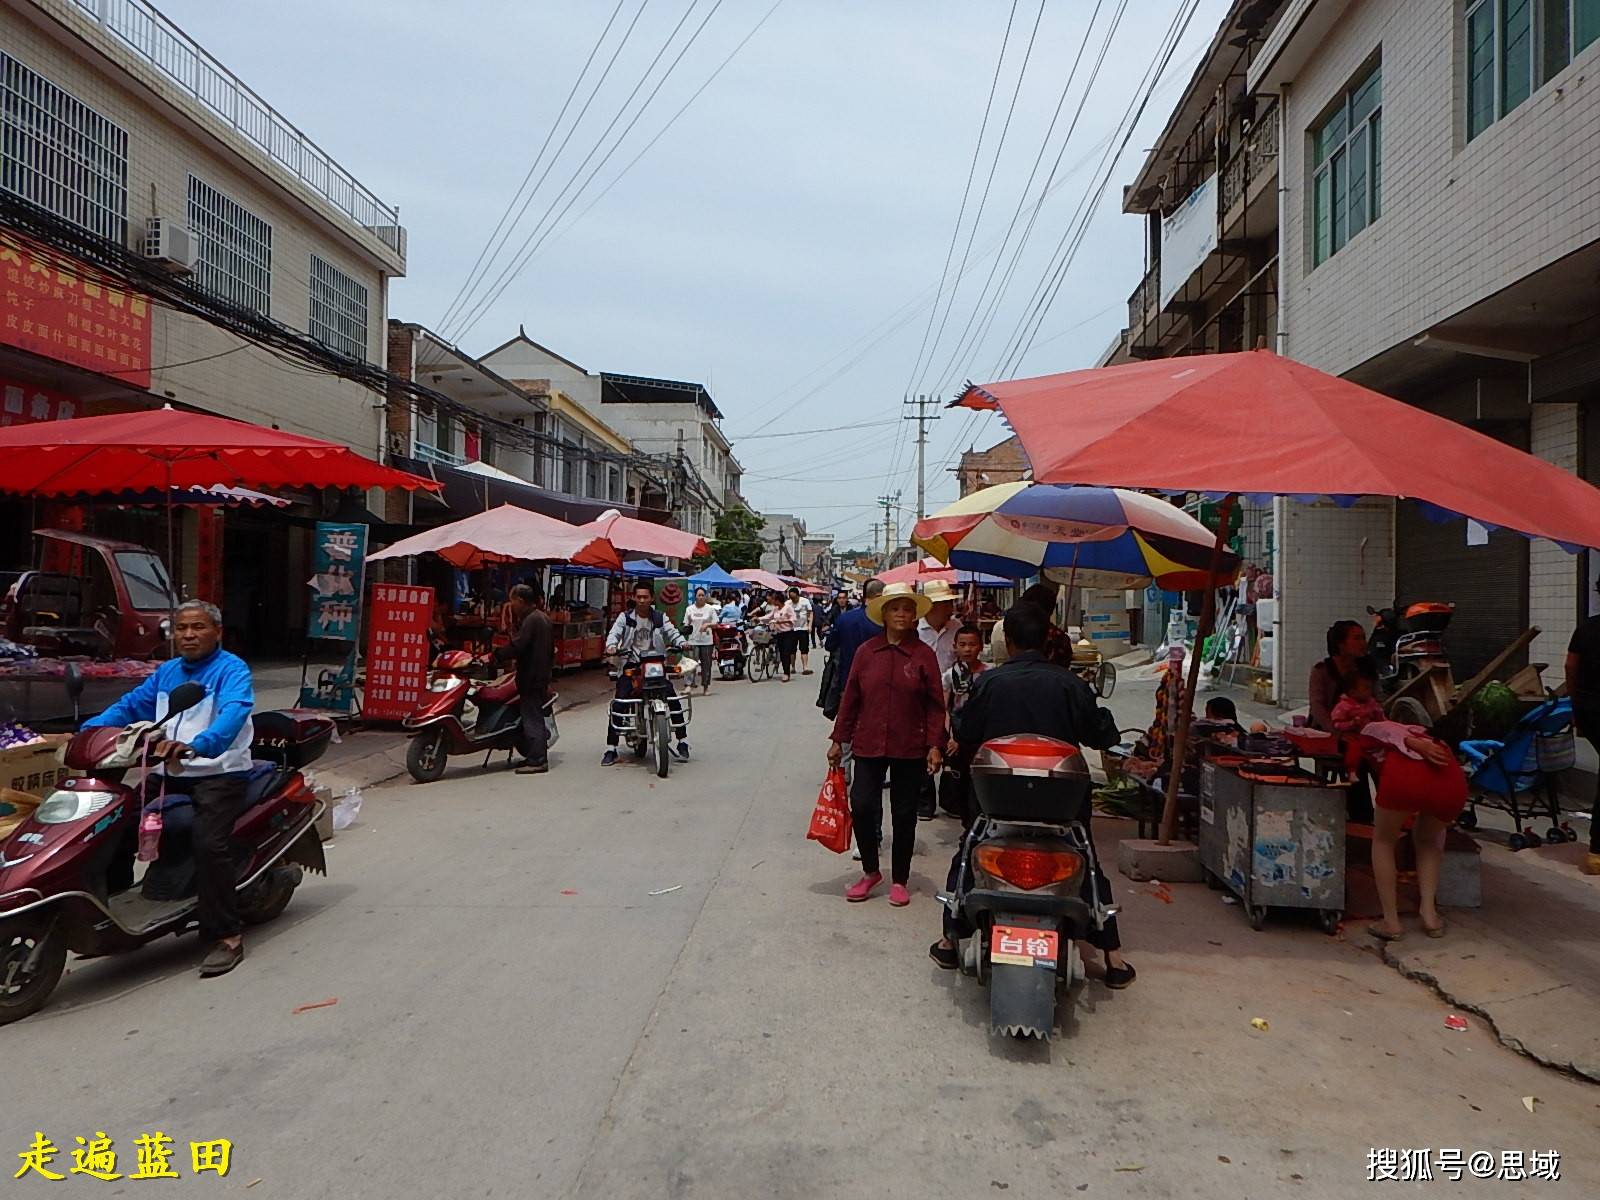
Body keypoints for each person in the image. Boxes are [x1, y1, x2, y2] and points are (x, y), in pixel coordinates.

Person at [931, 602, 1134, 987]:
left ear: (1006, 642)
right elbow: (1100, 735)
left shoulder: (989, 683)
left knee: (969, 847)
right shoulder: (1069, 684)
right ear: (1046, 639)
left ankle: (948, 938)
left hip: (997, 798)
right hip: (1061, 802)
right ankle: (1114, 957)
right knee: (1087, 856)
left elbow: (966, 730)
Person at [81, 601, 255, 978]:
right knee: (112, 823)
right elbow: (130, 707)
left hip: (218, 773)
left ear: (217, 631)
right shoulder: (168, 673)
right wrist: (87, 731)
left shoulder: (232, 670)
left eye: (198, 627)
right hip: (170, 771)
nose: (189, 635)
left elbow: (234, 712)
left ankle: (226, 935)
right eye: (181, 629)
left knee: (209, 844)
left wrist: (203, 744)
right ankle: (117, 914)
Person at [828, 582, 946, 906]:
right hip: (868, 742)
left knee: (904, 813)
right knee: (863, 805)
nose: (902, 614)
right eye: (895, 608)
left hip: (910, 744)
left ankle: (900, 879)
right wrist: (839, 739)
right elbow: (850, 698)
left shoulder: (923, 655)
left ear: (913, 617)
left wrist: (935, 744)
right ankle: (870, 872)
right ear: (883, 614)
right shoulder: (867, 653)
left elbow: (936, 705)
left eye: (907, 609)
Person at [1359, 720, 1467, 940]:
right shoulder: (1435, 738)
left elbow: (1386, 732)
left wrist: (1413, 743)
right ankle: (1430, 915)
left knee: (1383, 841)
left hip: (1405, 780)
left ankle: (1391, 922)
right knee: (1429, 842)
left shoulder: (1374, 727)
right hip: (1451, 784)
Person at [603, 582, 689, 765]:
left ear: (651, 598)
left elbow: (672, 632)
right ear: (633, 598)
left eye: (645, 597)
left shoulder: (659, 617)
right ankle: (611, 748)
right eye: (639, 597)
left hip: (655, 665)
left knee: (672, 698)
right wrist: (611, 646)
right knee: (619, 701)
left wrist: (682, 643)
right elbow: (614, 634)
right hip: (632, 666)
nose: (642, 600)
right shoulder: (624, 618)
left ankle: (683, 741)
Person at [491, 583, 554, 774]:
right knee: (531, 715)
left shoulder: (532, 620)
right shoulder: (541, 618)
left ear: (520, 600)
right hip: (540, 675)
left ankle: (537, 760)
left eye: (512, 601)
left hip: (532, 677)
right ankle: (533, 756)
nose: (511, 605)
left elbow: (519, 645)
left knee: (532, 717)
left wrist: (497, 655)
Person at [1565, 587, 1600, 875]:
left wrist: (1576, 708)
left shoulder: (1586, 629)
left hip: (1590, 711)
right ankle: (1597, 851)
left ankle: (1597, 852)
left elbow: (1570, 666)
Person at [939, 624, 988, 818]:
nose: (968, 649)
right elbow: (944, 708)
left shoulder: (989, 674)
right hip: (958, 734)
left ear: (981, 647)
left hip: (982, 733)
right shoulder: (950, 676)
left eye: (972, 644)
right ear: (955, 647)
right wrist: (948, 736)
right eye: (963, 644)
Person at [824, 579, 885, 717]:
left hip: (847, 681)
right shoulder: (884, 622)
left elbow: (829, 645)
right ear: (879, 597)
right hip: (879, 684)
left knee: (849, 722)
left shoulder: (844, 619)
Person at [1309, 619, 1369, 732]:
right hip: (1326, 731)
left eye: (1363, 638)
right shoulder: (1321, 670)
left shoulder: (1366, 668)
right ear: (1340, 644)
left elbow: (1375, 698)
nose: (1363, 643)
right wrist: (1333, 729)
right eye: (1356, 638)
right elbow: (1317, 706)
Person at [918, 580, 960, 675]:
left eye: (951, 603)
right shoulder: (915, 631)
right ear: (931, 606)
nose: (951, 609)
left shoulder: (957, 628)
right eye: (946, 604)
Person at [1330, 661, 1386, 733]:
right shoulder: (1343, 707)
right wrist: (1351, 724)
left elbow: (1381, 721)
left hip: (1372, 735)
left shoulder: (1372, 703)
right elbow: (1336, 725)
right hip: (1353, 738)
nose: (1370, 690)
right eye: (1366, 688)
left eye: (1370, 687)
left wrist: (1379, 714)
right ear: (1353, 693)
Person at [685, 586, 719, 695]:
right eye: (699, 595)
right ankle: (688, 685)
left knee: (706, 665)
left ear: (705, 597)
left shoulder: (710, 609)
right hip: (693, 640)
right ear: (695, 596)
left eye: (702, 595)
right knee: (691, 663)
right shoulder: (689, 609)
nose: (701, 597)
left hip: (706, 641)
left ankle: (706, 687)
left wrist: (708, 624)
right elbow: (686, 624)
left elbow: (716, 623)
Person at [768, 589, 799, 683]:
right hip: (779, 633)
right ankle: (785, 669)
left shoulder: (788, 608)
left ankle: (786, 673)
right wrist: (759, 618)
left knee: (786, 653)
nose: (773, 602)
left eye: (774, 600)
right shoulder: (775, 609)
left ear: (778, 600)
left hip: (788, 633)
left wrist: (783, 621)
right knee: (781, 653)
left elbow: (794, 619)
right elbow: (769, 616)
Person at [794, 587, 816, 675]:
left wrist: (810, 625)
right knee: (792, 649)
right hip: (792, 629)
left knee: (804, 649)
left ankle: (805, 667)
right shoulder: (788, 603)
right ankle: (792, 667)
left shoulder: (805, 601)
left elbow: (810, 613)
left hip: (803, 628)